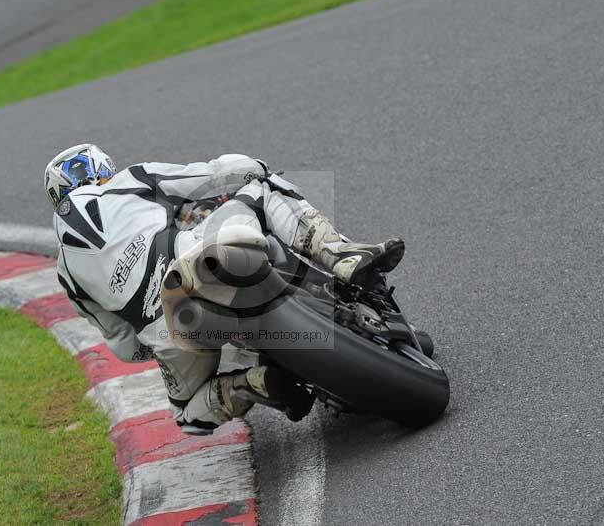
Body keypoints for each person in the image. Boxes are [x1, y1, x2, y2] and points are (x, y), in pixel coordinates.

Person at [45, 143, 404, 434]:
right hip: (193, 257)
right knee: (262, 189)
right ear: (101, 170)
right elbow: (213, 175)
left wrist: (152, 347)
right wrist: (254, 168)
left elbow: (123, 344)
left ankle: (250, 384)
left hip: (167, 330)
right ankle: (344, 256)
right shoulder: (128, 180)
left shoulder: (66, 272)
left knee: (188, 416)